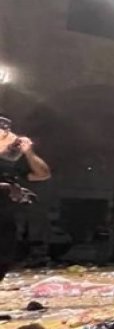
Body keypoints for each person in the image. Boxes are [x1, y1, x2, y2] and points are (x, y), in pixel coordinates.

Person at [0, 113, 50, 282]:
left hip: (5, 221)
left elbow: (43, 174)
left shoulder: (9, 164)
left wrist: (29, 152)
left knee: (4, 260)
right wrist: (8, 188)